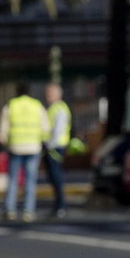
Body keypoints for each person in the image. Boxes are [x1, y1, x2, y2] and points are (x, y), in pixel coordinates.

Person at [0, 83, 46, 222]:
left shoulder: (11, 105)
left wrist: (6, 144)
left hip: (15, 147)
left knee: (13, 180)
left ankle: (10, 210)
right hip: (33, 147)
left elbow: (3, 130)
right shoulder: (37, 105)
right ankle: (28, 211)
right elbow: (45, 127)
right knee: (30, 180)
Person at [42, 81, 74, 218]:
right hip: (52, 146)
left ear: (58, 94)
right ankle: (57, 206)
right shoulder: (53, 108)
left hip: (55, 147)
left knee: (56, 177)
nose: (47, 96)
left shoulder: (59, 108)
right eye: (46, 93)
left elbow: (57, 130)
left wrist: (49, 146)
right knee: (53, 177)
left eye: (50, 93)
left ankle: (61, 206)